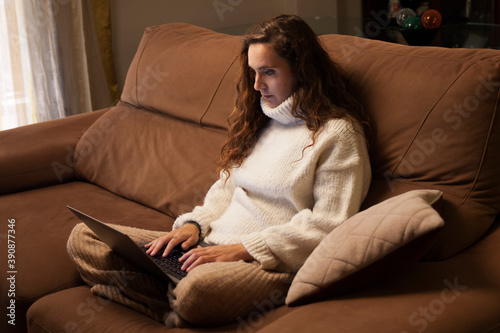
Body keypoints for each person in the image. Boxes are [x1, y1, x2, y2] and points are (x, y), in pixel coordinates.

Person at [68, 14, 371, 326]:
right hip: (206, 247)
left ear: (303, 71)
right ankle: (174, 307)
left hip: (265, 262)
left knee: (198, 291)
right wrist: (193, 227)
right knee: (86, 237)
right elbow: (225, 191)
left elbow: (330, 225)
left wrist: (242, 250)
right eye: (253, 72)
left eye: (268, 72)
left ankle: (167, 297)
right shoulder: (261, 121)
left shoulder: (339, 134)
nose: (257, 85)